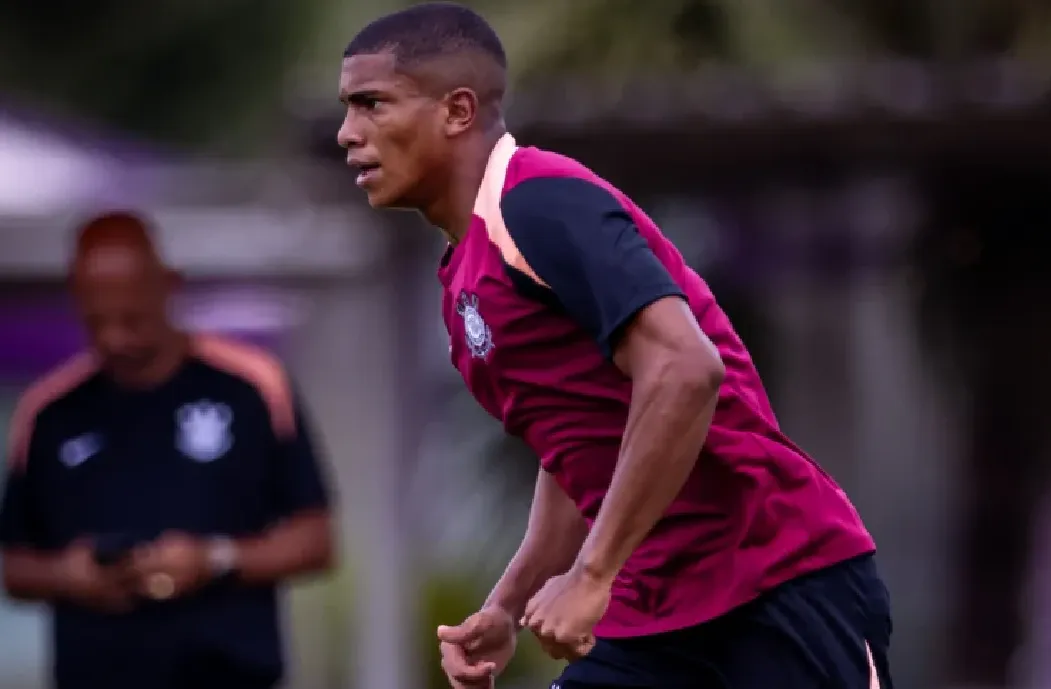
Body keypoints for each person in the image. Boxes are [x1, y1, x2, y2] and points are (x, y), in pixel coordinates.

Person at [338, 4, 892, 688]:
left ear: (457, 111)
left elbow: (687, 369)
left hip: (773, 581)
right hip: (654, 609)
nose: (348, 133)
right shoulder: (463, 278)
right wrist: (509, 603)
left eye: (371, 105)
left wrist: (591, 574)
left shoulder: (539, 200)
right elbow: (575, 447)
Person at [0, 211, 336, 689]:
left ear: (168, 285)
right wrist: (67, 574)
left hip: (229, 675)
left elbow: (315, 540)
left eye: (131, 319)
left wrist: (213, 560)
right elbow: (15, 564)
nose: (115, 338)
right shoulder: (49, 412)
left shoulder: (251, 387)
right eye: (98, 322)